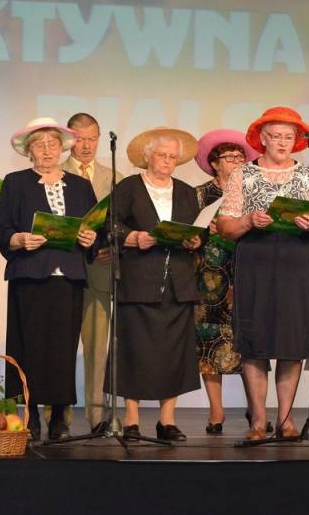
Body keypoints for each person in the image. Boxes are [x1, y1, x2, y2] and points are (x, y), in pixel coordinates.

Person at [218, 107, 309, 441]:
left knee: (291, 341)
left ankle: (285, 419)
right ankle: (258, 420)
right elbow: (224, 226)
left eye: (289, 137)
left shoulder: (307, 175)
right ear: (263, 138)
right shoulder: (243, 174)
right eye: (276, 136)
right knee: (255, 341)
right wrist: (248, 220)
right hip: (256, 260)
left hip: (296, 261)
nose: (283, 142)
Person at [0, 117, 99, 442]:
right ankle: (31, 414)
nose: (48, 150)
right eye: (40, 145)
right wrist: (19, 240)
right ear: (29, 151)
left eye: (53, 144)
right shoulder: (15, 182)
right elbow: (1, 228)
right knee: (29, 346)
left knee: (63, 350)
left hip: (68, 276)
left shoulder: (80, 185)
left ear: (63, 147)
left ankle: (59, 419)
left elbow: (96, 227)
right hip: (30, 275)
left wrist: (91, 238)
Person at [106, 127, 202, 442]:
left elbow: (197, 230)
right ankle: (131, 419)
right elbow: (109, 225)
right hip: (138, 281)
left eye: (173, 157)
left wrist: (195, 240)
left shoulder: (186, 192)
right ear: (147, 157)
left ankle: (167, 420)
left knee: (174, 353)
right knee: (134, 349)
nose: (167, 161)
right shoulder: (128, 187)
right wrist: (134, 237)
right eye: (162, 155)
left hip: (178, 282)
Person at [192, 129, 259, 434]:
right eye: (229, 157)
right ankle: (216, 411)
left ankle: (255, 407)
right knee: (209, 343)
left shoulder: (252, 190)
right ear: (214, 163)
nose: (236, 161)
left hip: (246, 271)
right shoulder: (199, 194)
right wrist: (205, 230)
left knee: (249, 342)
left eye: (240, 157)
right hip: (209, 274)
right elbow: (188, 231)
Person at [59, 112, 121, 434]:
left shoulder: (114, 176)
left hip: (99, 269)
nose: (86, 146)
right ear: (69, 140)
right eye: (80, 139)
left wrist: (114, 245)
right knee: (61, 345)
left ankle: (97, 415)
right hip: (65, 270)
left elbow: (122, 221)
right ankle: (58, 415)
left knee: (97, 347)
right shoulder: (55, 173)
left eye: (92, 139)